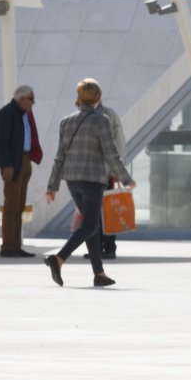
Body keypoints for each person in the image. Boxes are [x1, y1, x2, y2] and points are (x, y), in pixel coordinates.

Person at [44, 79, 136, 288]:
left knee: (90, 225)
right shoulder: (101, 121)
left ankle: (99, 273)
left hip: (72, 181)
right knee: (91, 224)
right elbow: (111, 153)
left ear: (79, 97)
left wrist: (52, 187)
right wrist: (126, 178)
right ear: (98, 98)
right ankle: (58, 259)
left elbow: (59, 157)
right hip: (93, 180)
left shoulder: (66, 121)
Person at [0, 85, 43, 258]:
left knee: (20, 206)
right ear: (21, 98)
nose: (33, 102)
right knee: (11, 205)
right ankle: (8, 246)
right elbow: (1, 142)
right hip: (13, 164)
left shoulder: (24, 114)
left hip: (25, 160)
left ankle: (16, 246)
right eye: (31, 99)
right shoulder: (7, 113)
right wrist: (6, 165)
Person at [83, 102, 126, 260]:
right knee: (92, 213)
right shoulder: (83, 115)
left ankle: (109, 247)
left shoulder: (109, 114)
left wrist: (116, 171)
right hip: (89, 173)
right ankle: (96, 248)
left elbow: (119, 143)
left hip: (106, 173)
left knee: (107, 212)